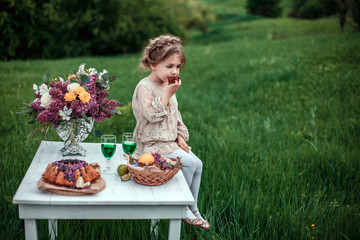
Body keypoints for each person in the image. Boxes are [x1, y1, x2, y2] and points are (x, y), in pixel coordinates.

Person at [131, 35, 210, 230]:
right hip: (151, 145)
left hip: (169, 142)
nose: (174, 71)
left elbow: (175, 115)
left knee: (197, 164)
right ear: (153, 65)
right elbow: (150, 115)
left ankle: (193, 206)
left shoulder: (167, 85)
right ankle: (181, 206)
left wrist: (181, 137)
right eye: (169, 66)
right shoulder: (145, 87)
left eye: (177, 67)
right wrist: (167, 94)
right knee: (189, 163)